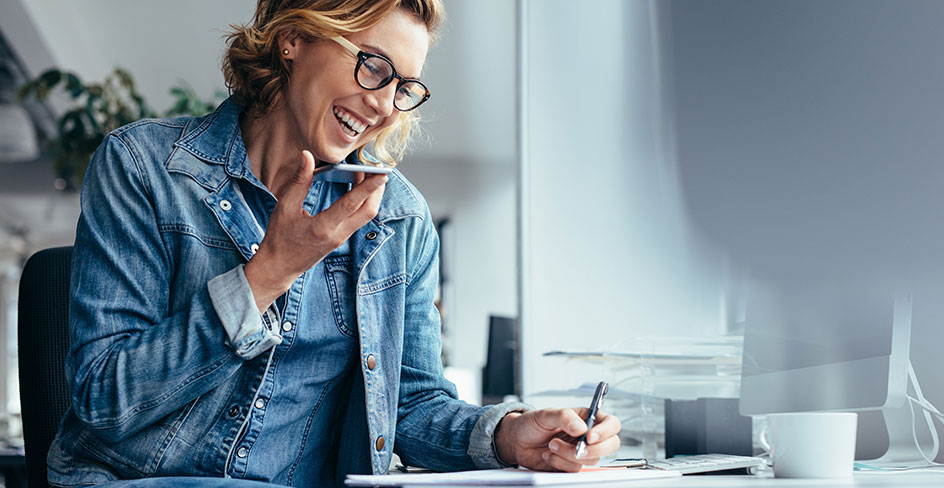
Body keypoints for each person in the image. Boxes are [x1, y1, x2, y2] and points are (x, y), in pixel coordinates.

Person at [47, 1, 621, 486]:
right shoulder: (145, 169)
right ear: (294, 39)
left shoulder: (398, 218)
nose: (382, 104)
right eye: (373, 66)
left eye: (404, 87)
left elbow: (411, 407)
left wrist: (508, 434)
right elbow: (105, 401)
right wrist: (268, 272)